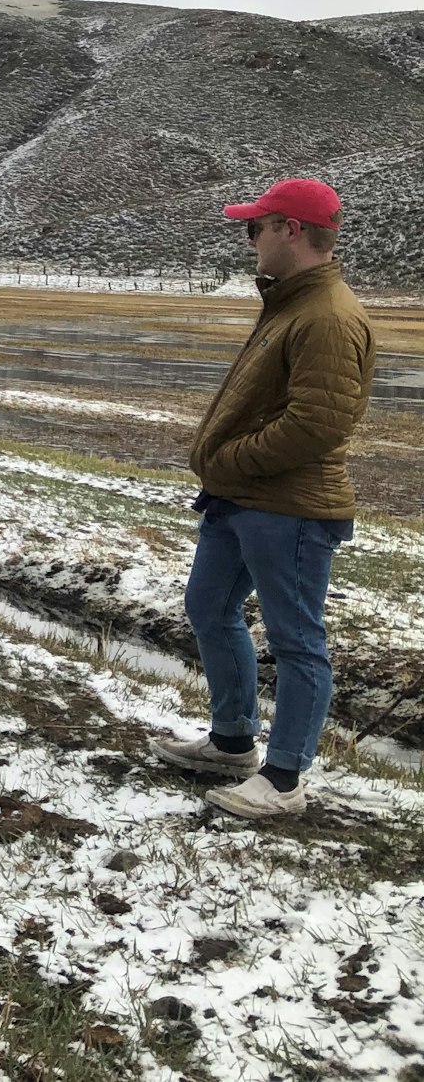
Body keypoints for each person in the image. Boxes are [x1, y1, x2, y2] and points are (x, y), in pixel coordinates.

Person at [150, 178, 375, 819]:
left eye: (256, 227)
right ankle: (231, 742)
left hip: (290, 507)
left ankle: (283, 781)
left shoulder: (327, 316)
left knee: (296, 638)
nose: (249, 239)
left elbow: (318, 425)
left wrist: (231, 460)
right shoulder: (293, 304)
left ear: (291, 230)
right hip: (244, 500)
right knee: (209, 606)